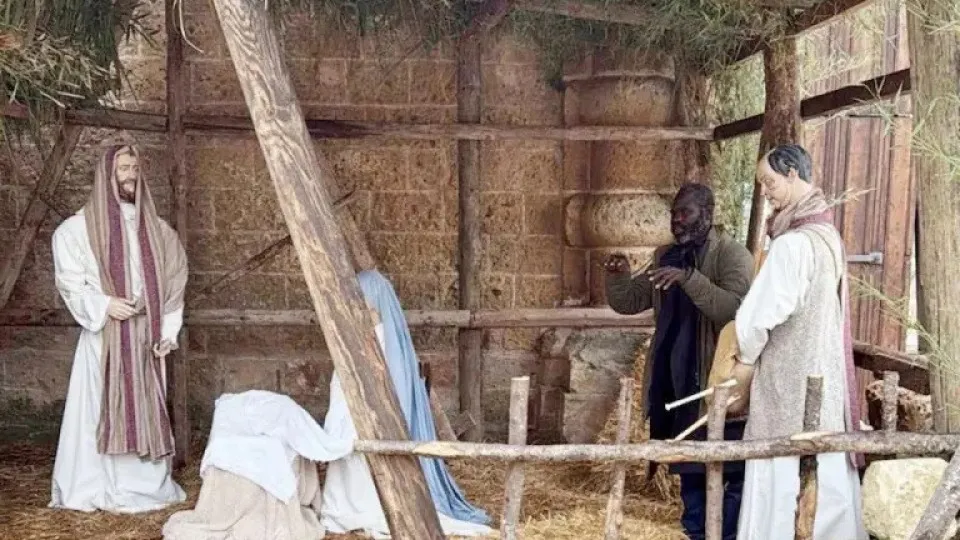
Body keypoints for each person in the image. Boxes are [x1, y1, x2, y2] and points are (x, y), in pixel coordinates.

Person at [604, 183, 753, 540]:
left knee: (728, 469)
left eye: (685, 212)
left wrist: (689, 280)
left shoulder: (732, 256)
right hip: (675, 381)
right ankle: (695, 533)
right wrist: (618, 276)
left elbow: (735, 311)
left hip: (716, 382)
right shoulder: (666, 256)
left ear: (708, 213)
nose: (677, 221)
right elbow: (631, 301)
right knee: (689, 467)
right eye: (673, 214)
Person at [733, 144, 866, 540]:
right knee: (824, 483)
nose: (765, 192)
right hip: (822, 381)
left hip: (790, 386)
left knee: (783, 481)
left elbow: (757, 317)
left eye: (770, 182)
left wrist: (744, 363)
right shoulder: (827, 236)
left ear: (792, 174)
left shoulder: (793, 244)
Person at [50, 144, 188, 513]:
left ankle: (144, 487)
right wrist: (104, 304)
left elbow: (175, 281)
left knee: (145, 406)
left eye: (135, 168)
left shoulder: (158, 230)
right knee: (101, 408)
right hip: (105, 339)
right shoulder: (77, 230)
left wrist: (167, 332)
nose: (131, 175)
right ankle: (98, 486)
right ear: (106, 175)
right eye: (123, 168)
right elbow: (70, 282)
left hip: (146, 337)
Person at [319, 269, 493, 538]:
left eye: (362, 300)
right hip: (353, 410)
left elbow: (383, 381)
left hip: (368, 415)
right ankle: (347, 504)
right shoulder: (367, 335)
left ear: (374, 302)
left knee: (360, 462)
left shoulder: (381, 338)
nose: (358, 306)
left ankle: (358, 507)